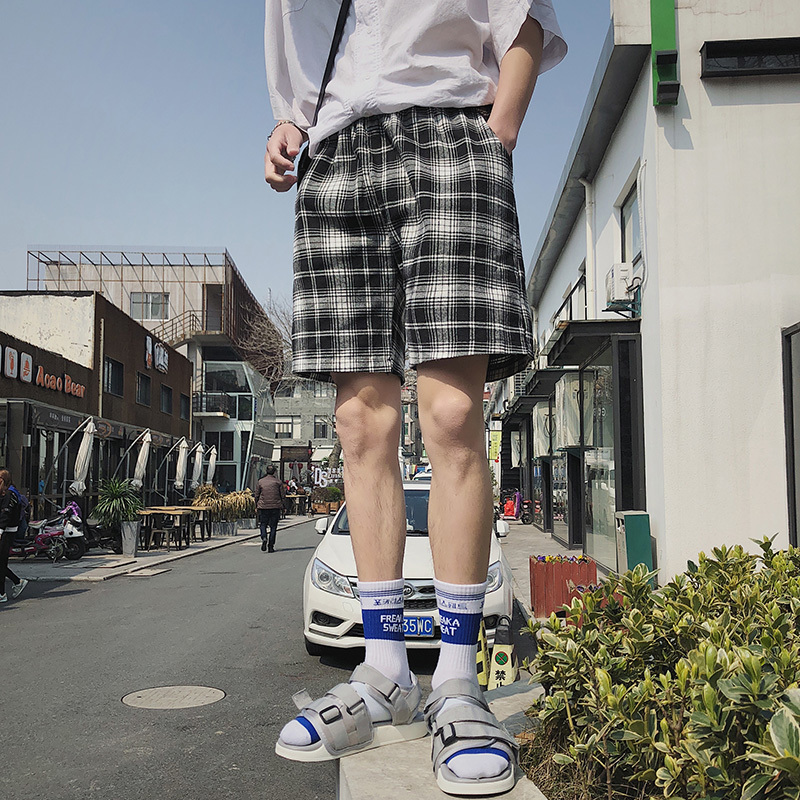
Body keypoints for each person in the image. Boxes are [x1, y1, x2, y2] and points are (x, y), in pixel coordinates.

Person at [264, 1, 566, 794]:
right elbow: (299, 50)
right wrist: (291, 121)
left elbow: (524, 18)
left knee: (453, 414)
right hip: (337, 152)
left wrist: (497, 133)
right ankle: (385, 671)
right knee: (361, 426)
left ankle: (458, 682)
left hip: (451, 133)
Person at [0, 468, 29, 603]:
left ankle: (2, 593)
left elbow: (6, 514)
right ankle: (16, 582)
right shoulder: (7, 493)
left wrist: (0, 531)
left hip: (7, 532)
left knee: (1, 563)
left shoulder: (9, 494)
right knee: (1, 563)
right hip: (6, 531)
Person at [254, 465, 286, 552]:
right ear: (274, 472)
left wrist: (256, 505)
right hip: (275, 506)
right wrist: (284, 506)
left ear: (266, 471)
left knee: (263, 524)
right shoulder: (278, 482)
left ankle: (264, 537)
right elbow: (282, 496)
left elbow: (256, 495)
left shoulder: (260, 482)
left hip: (263, 506)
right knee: (273, 527)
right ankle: (271, 546)